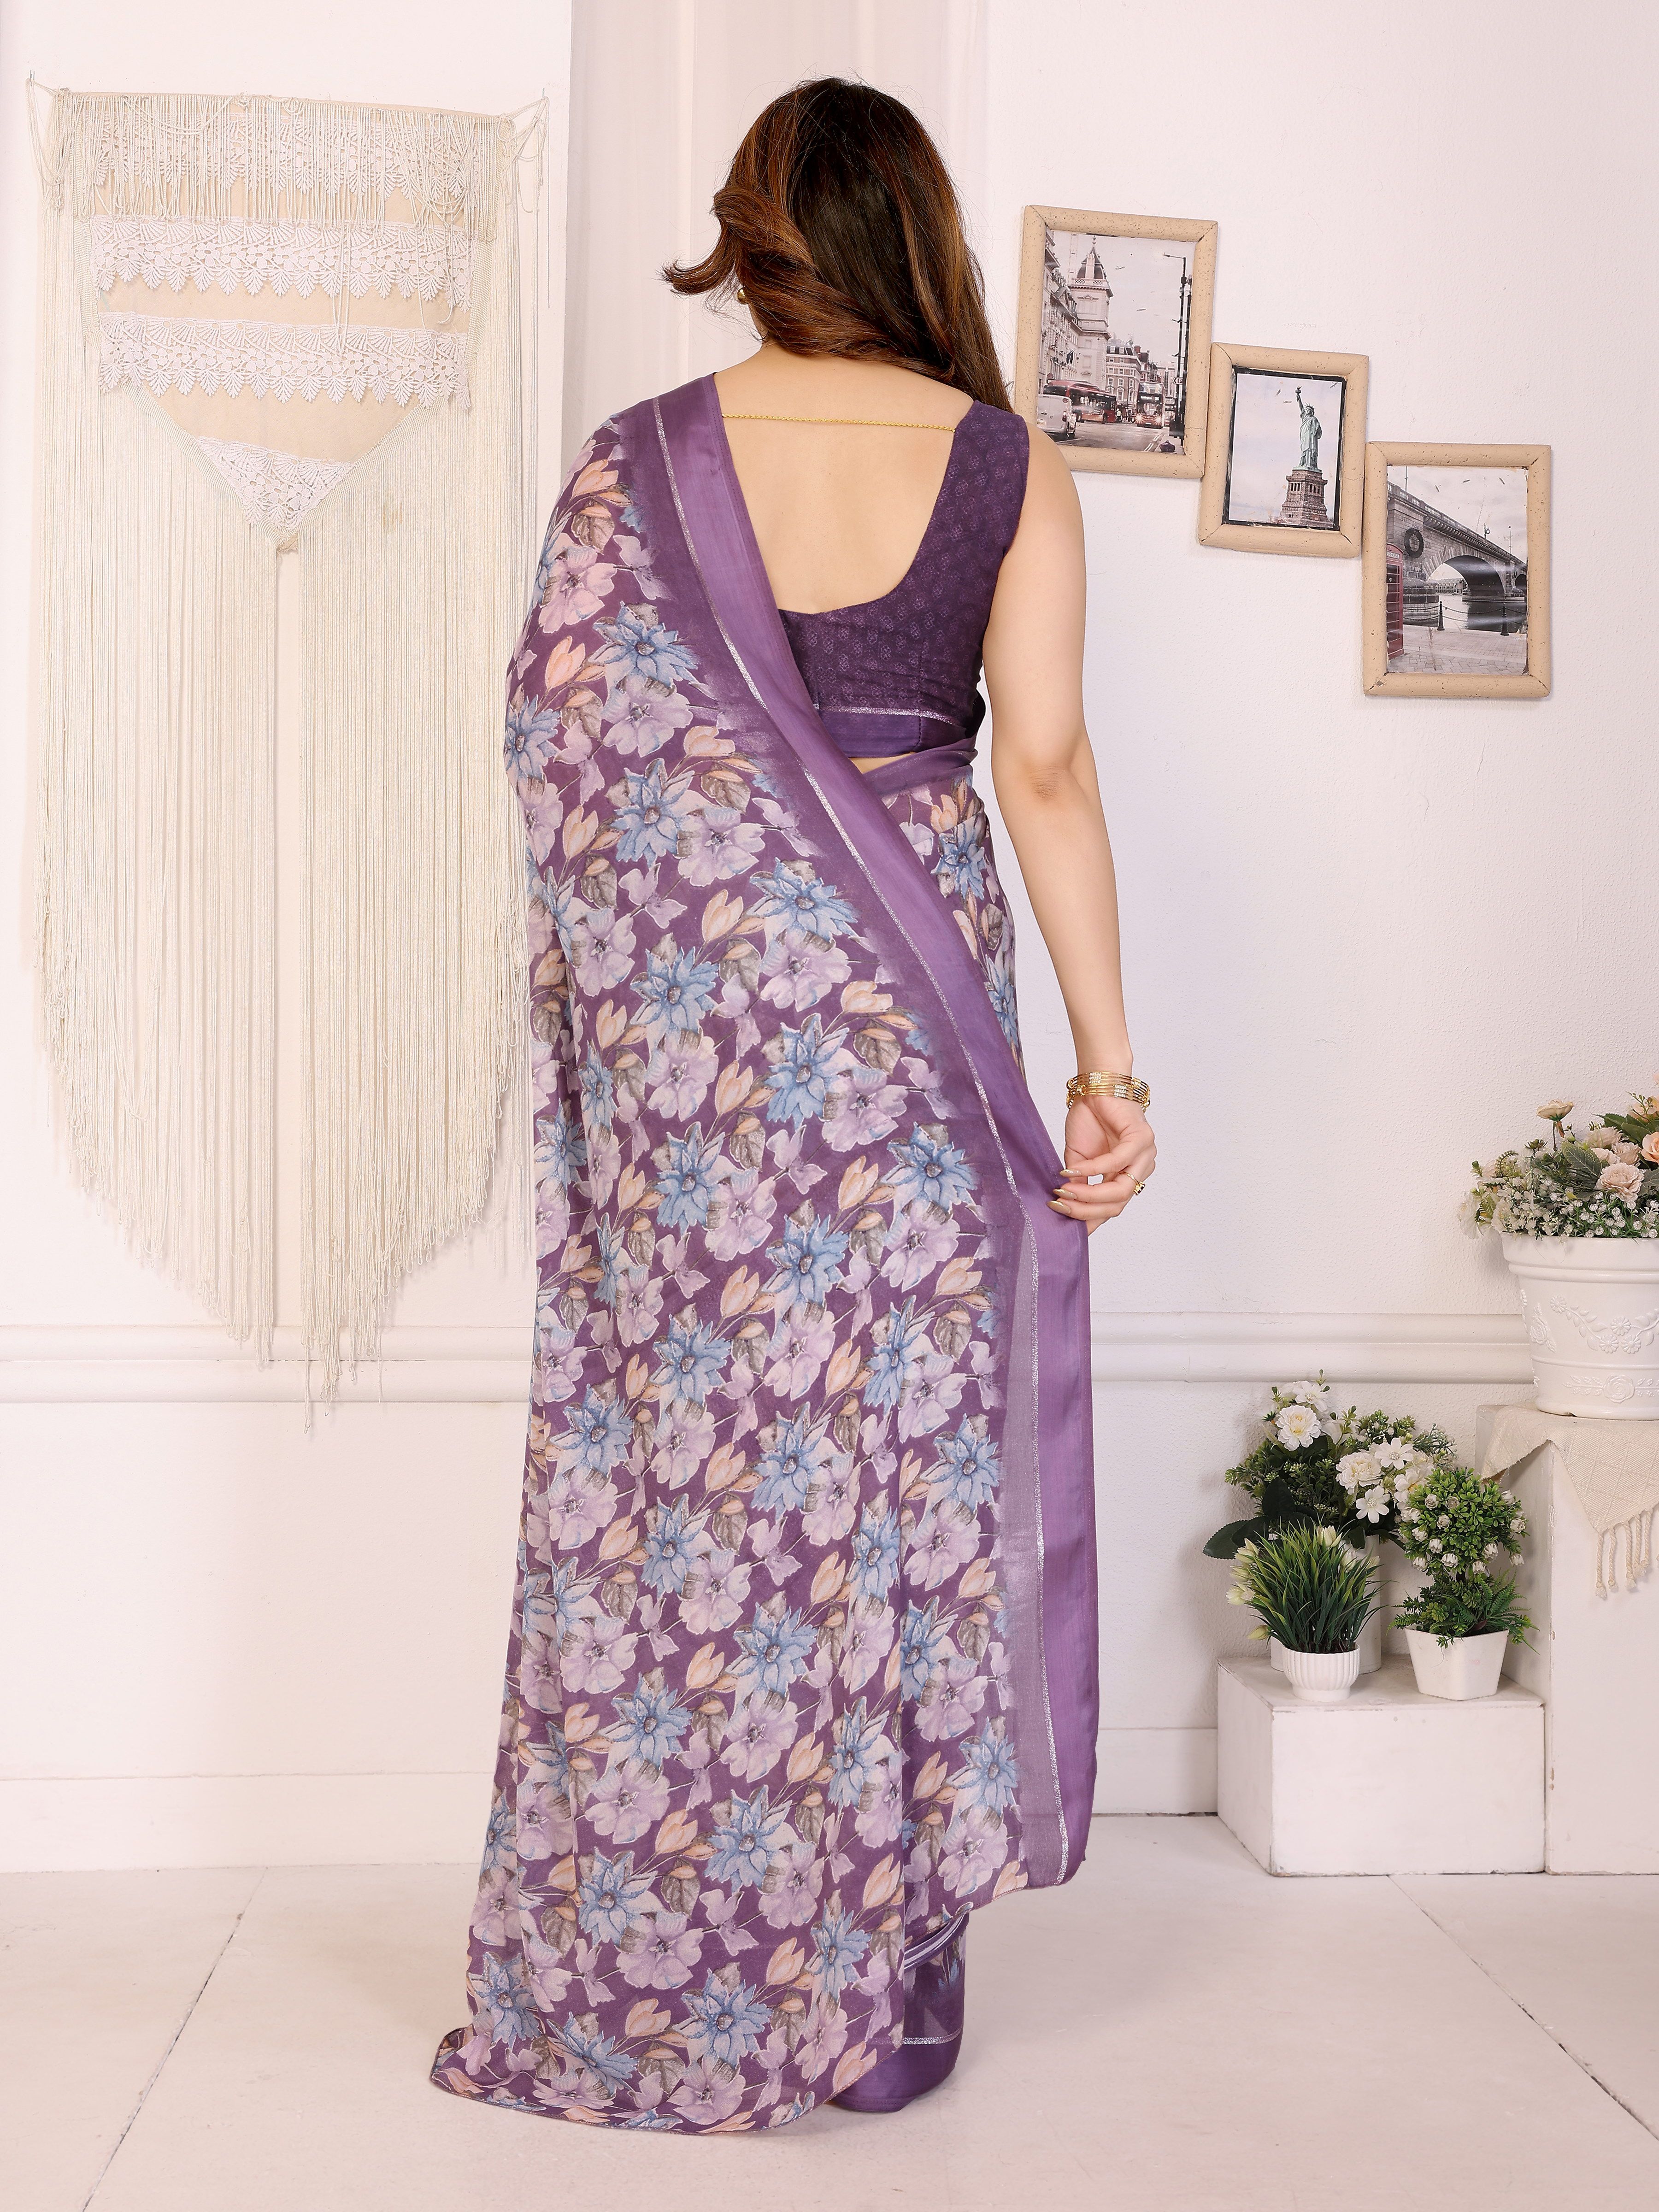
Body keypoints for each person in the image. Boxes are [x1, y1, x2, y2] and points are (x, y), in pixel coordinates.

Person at [431, 75, 1156, 2133]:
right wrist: (1106, 1067)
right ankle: (882, 1996)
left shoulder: (638, 459)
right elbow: (1046, 774)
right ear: (918, 233)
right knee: (900, 1490)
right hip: (917, 1058)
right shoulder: (1004, 465)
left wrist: (684, 987)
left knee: (690, 1494)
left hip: (706, 1085)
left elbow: (563, 747)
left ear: (753, 237)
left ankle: (663, 1967)